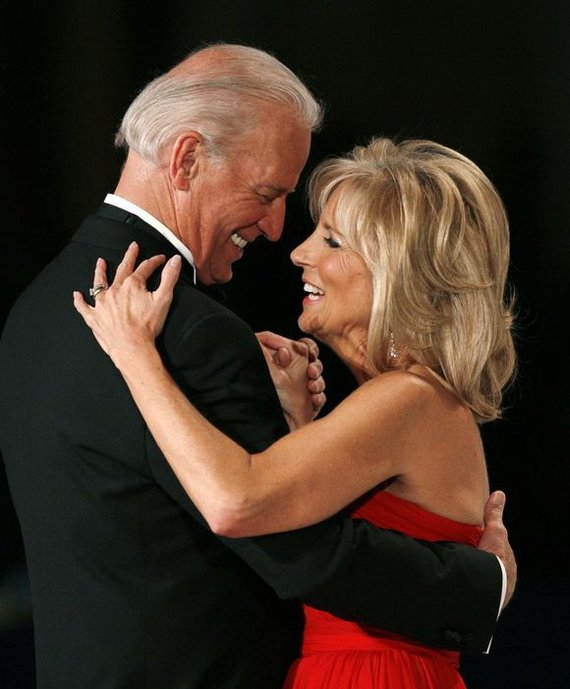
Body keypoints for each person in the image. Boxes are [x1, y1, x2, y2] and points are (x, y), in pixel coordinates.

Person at [0, 42, 514, 689]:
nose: (285, 240)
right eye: (270, 193)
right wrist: (481, 586)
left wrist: (140, 360)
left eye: (329, 239)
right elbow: (286, 537)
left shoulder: (40, 307)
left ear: (394, 268)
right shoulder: (183, 329)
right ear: (186, 157)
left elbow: (252, 505)